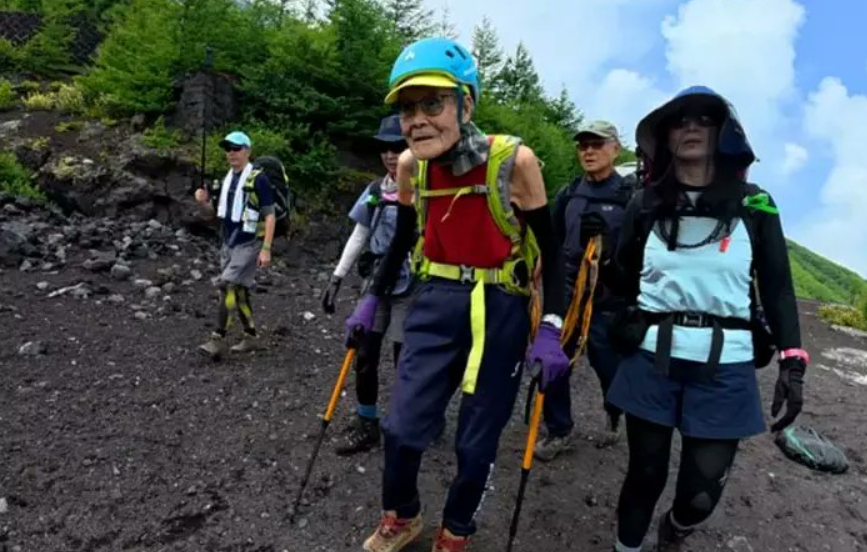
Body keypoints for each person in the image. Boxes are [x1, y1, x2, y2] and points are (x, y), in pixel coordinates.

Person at [344, 37, 569, 552]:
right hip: (436, 298)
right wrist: (372, 298)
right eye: (406, 107)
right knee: (401, 428)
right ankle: (403, 517)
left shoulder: (515, 162)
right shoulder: (409, 167)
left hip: (501, 308)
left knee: (476, 441)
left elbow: (553, 254)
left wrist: (552, 327)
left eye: (433, 103)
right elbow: (403, 240)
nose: (417, 119)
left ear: (466, 103)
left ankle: (456, 532)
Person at [604, 86, 808, 552]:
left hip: (726, 366)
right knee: (644, 474)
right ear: (665, 135)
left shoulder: (756, 205)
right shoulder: (646, 204)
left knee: (700, 492)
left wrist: (792, 360)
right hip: (652, 357)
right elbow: (623, 279)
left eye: (704, 119)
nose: (692, 127)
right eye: (680, 120)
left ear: (723, 132)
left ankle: (675, 528)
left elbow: (777, 285)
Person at [534, 120, 635, 462]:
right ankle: (559, 428)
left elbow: (638, 254)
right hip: (565, 294)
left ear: (615, 149)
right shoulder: (570, 192)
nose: (588, 151)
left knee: (608, 365)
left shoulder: (630, 197)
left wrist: (608, 246)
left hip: (608, 298)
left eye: (597, 144)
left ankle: (614, 410)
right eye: (583, 146)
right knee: (555, 359)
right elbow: (553, 239)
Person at [320, 115, 412, 455]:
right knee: (365, 354)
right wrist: (337, 277)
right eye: (386, 148)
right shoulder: (376, 191)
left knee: (406, 358)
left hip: (411, 285)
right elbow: (360, 234)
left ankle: (409, 422)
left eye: (398, 147)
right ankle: (367, 421)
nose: (391, 155)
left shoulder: (424, 188)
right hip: (375, 284)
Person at [194, 131, 276, 358]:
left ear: (247, 151)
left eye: (236, 148)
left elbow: (270, 216)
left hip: (249, 243)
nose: (231, 153)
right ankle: (251, 336)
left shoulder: (259, 179)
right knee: (238, 291)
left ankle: (217, 338)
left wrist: (266, 249)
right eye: (228, 149)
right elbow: (212, 215)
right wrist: (203, 203)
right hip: (228, 243)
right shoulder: (225, 180)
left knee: (226, 286)